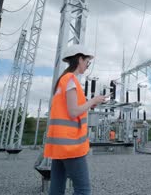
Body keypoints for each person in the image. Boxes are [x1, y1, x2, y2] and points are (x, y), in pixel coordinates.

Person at [44, 44, 107, 195]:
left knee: (57, 188)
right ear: (80, 59)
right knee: (83, 189)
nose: (87, 66)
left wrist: (90, 104)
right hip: (71, 144)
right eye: (87, 62)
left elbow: (69, 110)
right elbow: (73, 112)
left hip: (59, 144)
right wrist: (93, 100)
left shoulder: (63, 80)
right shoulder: (71, 79)